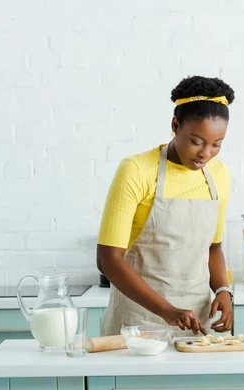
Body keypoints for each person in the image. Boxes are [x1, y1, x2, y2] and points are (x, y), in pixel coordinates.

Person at [97, 76, 235, 336]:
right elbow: (107, 260)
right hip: (139, 323)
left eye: (216, 144)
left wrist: (223, 290)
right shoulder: (136, 170)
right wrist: (167, 311)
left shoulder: (219, 174)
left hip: (197, 323)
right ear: (175, 125)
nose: (205, 153)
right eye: (196, 141)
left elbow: (213, 248)